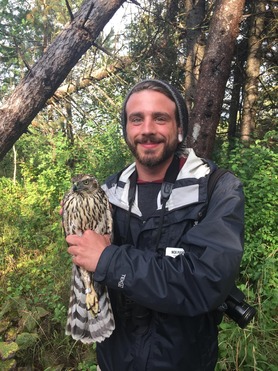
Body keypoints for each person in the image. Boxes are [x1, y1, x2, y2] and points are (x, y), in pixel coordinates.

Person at [66, 79, 244, 371]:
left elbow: (207, 281)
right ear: (126, 129)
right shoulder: (109, 191)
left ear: (180, 128)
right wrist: (78, 233)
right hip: (113, 360)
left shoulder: (218, 188)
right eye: (137, 119)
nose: (147, 129)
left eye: (160, 118)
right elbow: (88, 259)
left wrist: (108, 259)